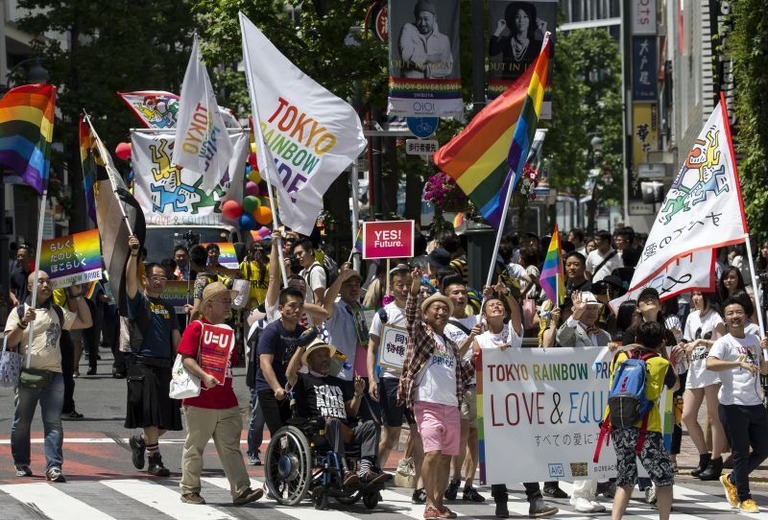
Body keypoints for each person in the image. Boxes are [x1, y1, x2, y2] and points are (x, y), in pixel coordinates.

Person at [475, 278, 558, 519]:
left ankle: (535, 500)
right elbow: (475, 365)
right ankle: (501, 501)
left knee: (525, 450)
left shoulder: (513, 334)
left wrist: (506, 293)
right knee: (497, 452)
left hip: (517, 403)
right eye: (492, 306)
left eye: (499, 306)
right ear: (485, 316)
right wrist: (490, 356)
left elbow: (516, 313)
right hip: (491, 404)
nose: (497, 308)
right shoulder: (480, 341)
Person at [176, 282, 263, 506]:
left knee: (231, 448)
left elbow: (231, 361)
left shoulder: (229, 331)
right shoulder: (196, 327)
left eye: (228, 300)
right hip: (199, 400)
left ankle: (241, 490)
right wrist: (205, 376)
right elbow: (186, 358)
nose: (228, 304)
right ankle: (189, 490)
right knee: (195, 447)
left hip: (227, 400)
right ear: (209, 305)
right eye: (224, 300)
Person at [397, 267, 474, 520]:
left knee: (444, 458)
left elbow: (462, 373)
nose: (441, 312)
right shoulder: (421, 334)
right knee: (432, 453)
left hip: (451, 405)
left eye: (444, 309)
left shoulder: (451, 345)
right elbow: (410, 316)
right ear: (426, 314)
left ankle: (439, 503)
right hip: (426, 403)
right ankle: (430, 503)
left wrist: (480, 357)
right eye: (436, 309)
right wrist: (416, 287)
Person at [5, 271, 92, 482]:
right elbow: (8, 342)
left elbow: (86, 321)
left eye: (47, 281)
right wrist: (23, 323)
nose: (45, 285)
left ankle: (54, 466)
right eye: (40, 282)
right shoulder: (19, 311)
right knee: (22, 422)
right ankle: (22, 462)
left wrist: (77, 295)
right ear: (29, 287)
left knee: (53, 422)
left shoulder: (58, 312)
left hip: (54, 375)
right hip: (28, 375)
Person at [286, 337, 389, 486]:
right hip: (320, 431)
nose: (325, 359)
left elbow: (352, 412)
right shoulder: (303, 379)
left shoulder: (339, 382)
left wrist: (358, 394)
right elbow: (289, 374)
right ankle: (344, 469)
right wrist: (301, 346)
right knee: (333, 421)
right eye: (320, 356)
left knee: (372, 425)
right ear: (309, 360)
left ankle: (365, 470)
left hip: (346, 429)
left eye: (327, 355)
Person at [367, 264, 426, 503]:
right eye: (399, 285)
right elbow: (372, 349)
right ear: (391, 287)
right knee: (390, 436)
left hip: (417, 380)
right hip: (390, 380)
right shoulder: (383, 314)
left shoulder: (421, 312)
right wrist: (372, 378)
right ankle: (371, 477)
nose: (403, 289)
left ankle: (420, 487)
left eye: (407, 284)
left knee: (419, 433)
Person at [125, 235, 183, 477]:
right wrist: (134, 254)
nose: (160, 282)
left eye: (163, 278)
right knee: (150, 416)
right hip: (143, 365)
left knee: (164, 423)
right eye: (155, 278)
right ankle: (154, 459)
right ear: (145, 280)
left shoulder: (169, 307)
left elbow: (177, 339)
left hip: (165, 367)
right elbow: (129, 281)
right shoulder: (139, 301)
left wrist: (183, 364)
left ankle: (140, 441)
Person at [608, 322, 679, 520]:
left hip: (619, 425)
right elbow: (674, 387)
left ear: (637, 338)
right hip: (647, 428)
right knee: (664, 478)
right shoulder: (660, 363)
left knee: (625, 479)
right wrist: (669, 358)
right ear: (661, 343)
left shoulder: (620, 357)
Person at [706, 297, 768, 514]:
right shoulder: (724, 342)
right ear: (725, 318)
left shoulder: (754, 339)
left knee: (763, 448)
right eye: (730, 313)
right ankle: (744, 497)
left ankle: (732, 478)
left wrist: (765, 353)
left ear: (746, 315)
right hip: (732, 404)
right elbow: (710, 363)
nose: (735, 316)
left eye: (738, 312)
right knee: (741, 452)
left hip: (756, 402)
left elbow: (765, 370)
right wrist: (736, 363)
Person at [556, 291, 610, 514]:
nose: (591, 312)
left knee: (596, 446)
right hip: (577, 397)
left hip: (599, 397)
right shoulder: (572, 329)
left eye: (594, 308)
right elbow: (561, 338)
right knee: (581, 447)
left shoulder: (605, 335)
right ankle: (578, 493)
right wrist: (574, 316)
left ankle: (590, 492)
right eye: (587, 308)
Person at [440, 276, 484, 503]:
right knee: (462, 433)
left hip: (481, 384)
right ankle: (455, 479)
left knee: (476, 437)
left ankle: (469, 483)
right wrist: (470, 338)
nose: (459, 296)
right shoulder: (443, 325)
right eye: (455, 293)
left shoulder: (478, 319)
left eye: (463, 292)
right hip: (460, 385)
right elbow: (452, 354)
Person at [680, 291, 727, 480]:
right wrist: (682, 346)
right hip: (695, 369)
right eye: (693, 295)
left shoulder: (715, 317)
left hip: (712, 370)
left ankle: (716, 461)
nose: (695, 298)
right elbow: (687, 340)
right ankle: (704, 456)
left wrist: (702, 341)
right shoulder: (691, 317)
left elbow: (724, 343)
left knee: (714, 417)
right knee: (687, 415)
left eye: (699, 294)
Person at [255, 286, 310, 434]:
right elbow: (265, 363)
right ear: (280, 308)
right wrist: (276, 388)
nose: (297, 310)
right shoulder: (272, 331)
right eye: (292, 305)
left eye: (300, 306)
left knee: (295, 430)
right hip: (269, 387)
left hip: (290, 387)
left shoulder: (302, 332)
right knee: (279, 432)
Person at [398, 0, 453, 79]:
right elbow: (405, 55)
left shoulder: (444, 39)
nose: (422, 23)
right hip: (410, 88)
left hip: (435, 89)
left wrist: (423, 67)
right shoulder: (408, 29)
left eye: (426, 19)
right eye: (419, 19)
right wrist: (431, 58)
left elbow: (448, 68)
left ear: (435, 18)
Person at [489, 1, 542, 80]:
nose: (521, 20)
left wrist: (543, 31)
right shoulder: (506, 41)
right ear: (513, 20)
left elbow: (550, 53)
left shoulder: (537, 45)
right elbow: (492, 52)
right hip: (507, 88)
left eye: (525, 16)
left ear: (530, 20)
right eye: (517, 17)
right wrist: (499, 30)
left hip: (527, 88)